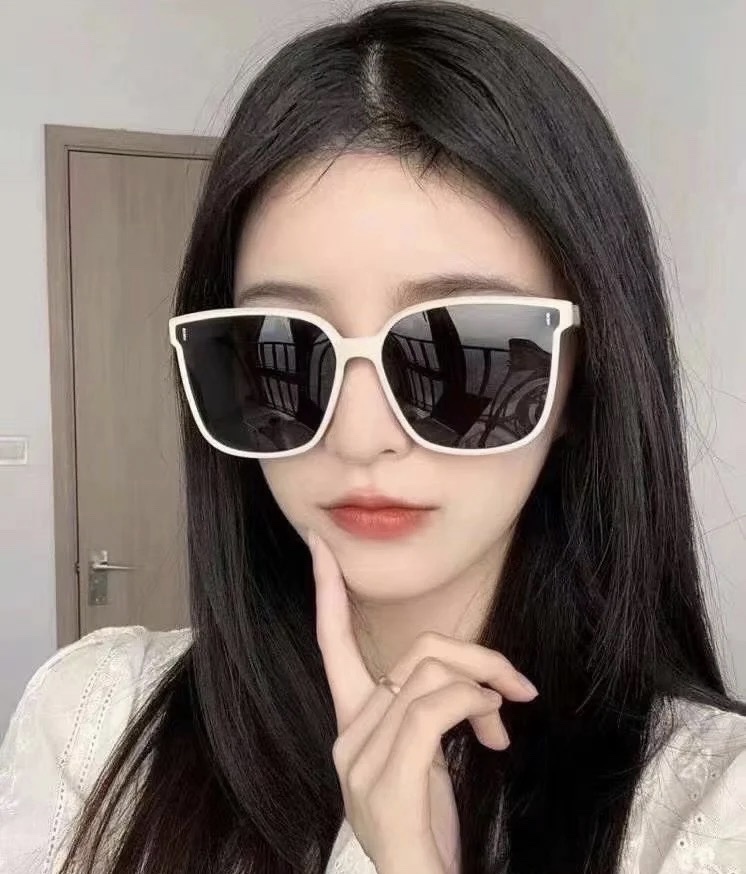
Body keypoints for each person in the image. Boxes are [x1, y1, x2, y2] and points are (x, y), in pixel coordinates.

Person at [1, 1, 745, 872]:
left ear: (582, 379)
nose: (360, 434)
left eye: (458, 352)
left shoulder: (710, 811)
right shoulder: (95, 721)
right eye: (283, 350)